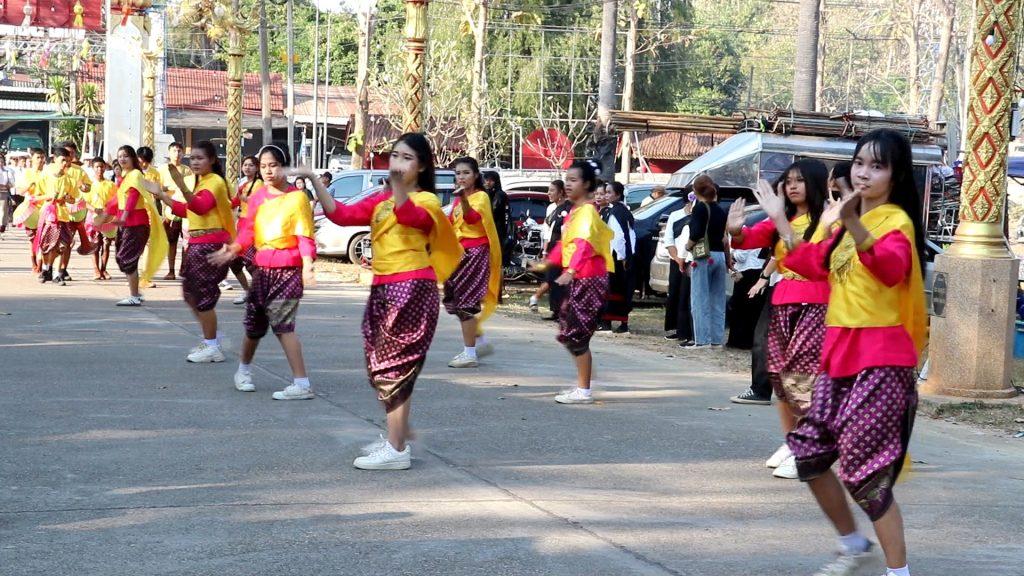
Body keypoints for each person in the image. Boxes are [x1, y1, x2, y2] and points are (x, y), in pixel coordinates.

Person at [777, 130, 927, 576]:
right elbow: (807, 265)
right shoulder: (844, 221)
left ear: (895, 175)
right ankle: (852, 543)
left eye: (877, 166)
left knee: (867, 472)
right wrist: (780, 221)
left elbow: (890, 269)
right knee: (808, 453)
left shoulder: (895, 220)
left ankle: (898, 572)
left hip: (881, 360)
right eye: (860, 162)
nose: (864, 172)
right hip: (838, 357)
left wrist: (855, 222)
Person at [309, 132, 462, 470]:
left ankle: (396, 448)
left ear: (421, 167)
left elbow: (412, 219)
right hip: (382, 289)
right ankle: (397, 439)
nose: (397, 163)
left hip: (411, 289)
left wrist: (396, 190)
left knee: (395, 368)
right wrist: (310, 178)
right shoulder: (381, 202)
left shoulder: (427, 202)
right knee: (380, 366)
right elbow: (341, 215)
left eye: (407, 158)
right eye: (395, 156)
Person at [728, 160, 829, 479]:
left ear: (814, 184)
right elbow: (748, 238)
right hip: (783, 298)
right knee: (777, 375)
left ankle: (807, 446)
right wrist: (734, 229)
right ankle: (792, 440)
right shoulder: (782, 218)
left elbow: (820, 261)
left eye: (800, 181)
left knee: (801, 377)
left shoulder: (828, 218)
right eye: (788, 181)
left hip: (816, 302)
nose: (793, 186)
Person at [209, 145, 317, 400]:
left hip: (288, 270)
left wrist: (308, 265)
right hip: (263, 269)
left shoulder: (297, 198)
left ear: (285, 166)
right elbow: (247, 230)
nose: (268, 171)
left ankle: (302, 384)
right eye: (264, 166)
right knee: (254, 326)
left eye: (274, 165)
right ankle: (243, 371)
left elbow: (304, 235)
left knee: (283, 326)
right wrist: (233, 249)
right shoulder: (257, 197)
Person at [148, 141, 236, 362]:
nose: (195, 162)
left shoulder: (215, 182)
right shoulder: (201, 183)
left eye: (200, 158)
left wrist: (182, 186)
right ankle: (211, 338)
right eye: (192, 158)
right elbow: (186, 210)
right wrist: (161, 195)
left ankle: (212, 345)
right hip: (196, 243)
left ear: (212, 160)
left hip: (211, 244)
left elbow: (200, 206)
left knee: (202, 295)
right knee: (189, 293)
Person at [547, 160, 614, 405]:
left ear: (586, 184)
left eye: (573, 180)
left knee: (577, 335)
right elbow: (565, 245)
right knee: (568, 332)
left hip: (588, 277)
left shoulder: (587, 211)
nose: (567, 183)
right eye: (566, 179)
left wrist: (572, 269)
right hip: (578, 277)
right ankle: (584, 380)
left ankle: (584, 389)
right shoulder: (574, 212)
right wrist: (546, 264)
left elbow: (584, 244)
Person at [444, 156, 503, 369]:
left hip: (475, 252)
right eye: (458, 173)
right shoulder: (458, 199)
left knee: (465, 302)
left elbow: (472, 219)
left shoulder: (480, 197)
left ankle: (470, 353)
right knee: (456, 299)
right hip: (460, 253)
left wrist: (464, 200)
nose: (461, 177)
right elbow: (451, 224)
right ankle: (480, 342)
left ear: (475, 175)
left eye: (466, 173)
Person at [98, 146, 167, 305]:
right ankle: (136, 293)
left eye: (126, 156)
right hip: (127, 224)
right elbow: (118, 200)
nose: (122, 159)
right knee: (124, 259)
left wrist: (124, 217)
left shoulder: (135, 174)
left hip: (135, 223)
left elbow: (132, 197)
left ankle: (134, 296)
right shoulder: (125, 176)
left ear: (133, 158)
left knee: (127, 259)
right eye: (120, 156)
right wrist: (106, 216)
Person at [686, 175, 728, 346]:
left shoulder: (700, 208)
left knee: (699, 298)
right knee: (718, 300)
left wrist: (688, 247)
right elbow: (725, 238)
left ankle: (702, 340)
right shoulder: (720, 209)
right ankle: (717, 339)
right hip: (719, 256)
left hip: (704, 257)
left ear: (695, 191)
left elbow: (695, 233)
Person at [731, 257, 779, 405]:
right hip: (806, 288)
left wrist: (763, 277)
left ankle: (760, 390)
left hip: (786, 285)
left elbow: (781, 250)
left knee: (764, 338)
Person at [34, 148, 79, 285]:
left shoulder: (70, 180)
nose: (65, 163)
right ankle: (47, 269)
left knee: (64, 245)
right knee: (48, 246)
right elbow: (36, 196)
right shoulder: (45, 177)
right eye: (63, 160)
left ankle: (59, 274)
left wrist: (67, 198)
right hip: (49, 216)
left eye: (68, 161)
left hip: (63, 216)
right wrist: (49, 197)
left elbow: (73, 199)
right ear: (55, 159)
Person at [597, 181, 636, 333]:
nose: (606, 195)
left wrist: (621, 257)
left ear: (617, 195)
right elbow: (631, 235)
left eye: (608, 192)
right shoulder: (625, 211)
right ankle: (623, 323)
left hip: (615, 257)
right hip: (625, 255)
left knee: (612, 290)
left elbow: (617, 238)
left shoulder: (615, 213)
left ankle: (607, 322)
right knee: (623, 289)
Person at [226, 155, 261, 305]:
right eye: (245, 165)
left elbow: (258, 204)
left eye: (251, 165)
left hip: (252, 229)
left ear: (257, 168)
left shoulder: (259, 184)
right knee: (235, 263)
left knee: (250, 263)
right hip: (241, 228)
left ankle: (260, 293)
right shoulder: (243, 185)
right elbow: (233, 202)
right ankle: (249, 292)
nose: (247, 167)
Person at [662, 193, 695, 346]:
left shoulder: (700, 213)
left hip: (691, 260)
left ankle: (686, 329)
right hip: (677, 259)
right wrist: (677, 258)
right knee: (675, 292)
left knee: (687, 295)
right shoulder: (675, 215)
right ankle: (673, 327)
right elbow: (668, 240)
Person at [529, 179, 566, 312]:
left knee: (554, 278)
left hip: (561, 248)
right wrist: (544, 251)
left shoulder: (567, 208)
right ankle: (554, 308)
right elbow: (547, 232)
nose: (548, 193)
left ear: (561, 192)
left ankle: (557, 308)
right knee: (551, 277)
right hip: (550, 247)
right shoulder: (551, 208)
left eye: (552, 190)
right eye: (548, 190)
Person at [158, 142, 193, 280]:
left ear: (183, 153)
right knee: (171, 241)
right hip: (168, 209)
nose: (177, 154)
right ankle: (171, 270)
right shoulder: (162, 169)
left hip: (184, 209)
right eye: (174, 151)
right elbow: (157, 189)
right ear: (169, 152)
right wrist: (166, 189)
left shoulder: (187, 170)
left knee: (186, 241)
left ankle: (184, 269)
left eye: (179, 151)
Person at [13, 148, 47, 273]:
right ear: (32, 159)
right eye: (38, 157)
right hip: (30, 209)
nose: (41, 160)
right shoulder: (27, 173)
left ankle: (41, 264)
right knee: (33, 238)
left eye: (42, 157)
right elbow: (20, 191)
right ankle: (34, 262)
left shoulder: (47, 173)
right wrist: (29, 186)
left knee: (43, 238)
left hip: (45, 208)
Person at [86, 158, 117, 280]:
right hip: (92, 217)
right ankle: (96, 270)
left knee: (106, 243)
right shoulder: (89, 185)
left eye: (102, 167)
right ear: (93, 168)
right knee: (95, 244)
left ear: (105, 168)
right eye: (97, 167)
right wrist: (94, 209)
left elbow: (116, 201)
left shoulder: (110, 184)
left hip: (107, 217)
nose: (99, 169)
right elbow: (84, 202)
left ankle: (104, 269)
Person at [482, 171, 512, 268]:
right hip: (489, 230)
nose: (487, 183)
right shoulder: (486, 193)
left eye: (491, 180)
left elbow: (492, 211)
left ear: (496, 181)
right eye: (486, 180)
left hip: (497, 231)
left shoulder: (499, 195)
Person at [0, 150, 13, 235]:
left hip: (4, 192)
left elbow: (12, 183)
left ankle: (2, 225)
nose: (0, 163)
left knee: (3, 210)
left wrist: (8, 185)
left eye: (1, 161)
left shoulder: (7, 171)